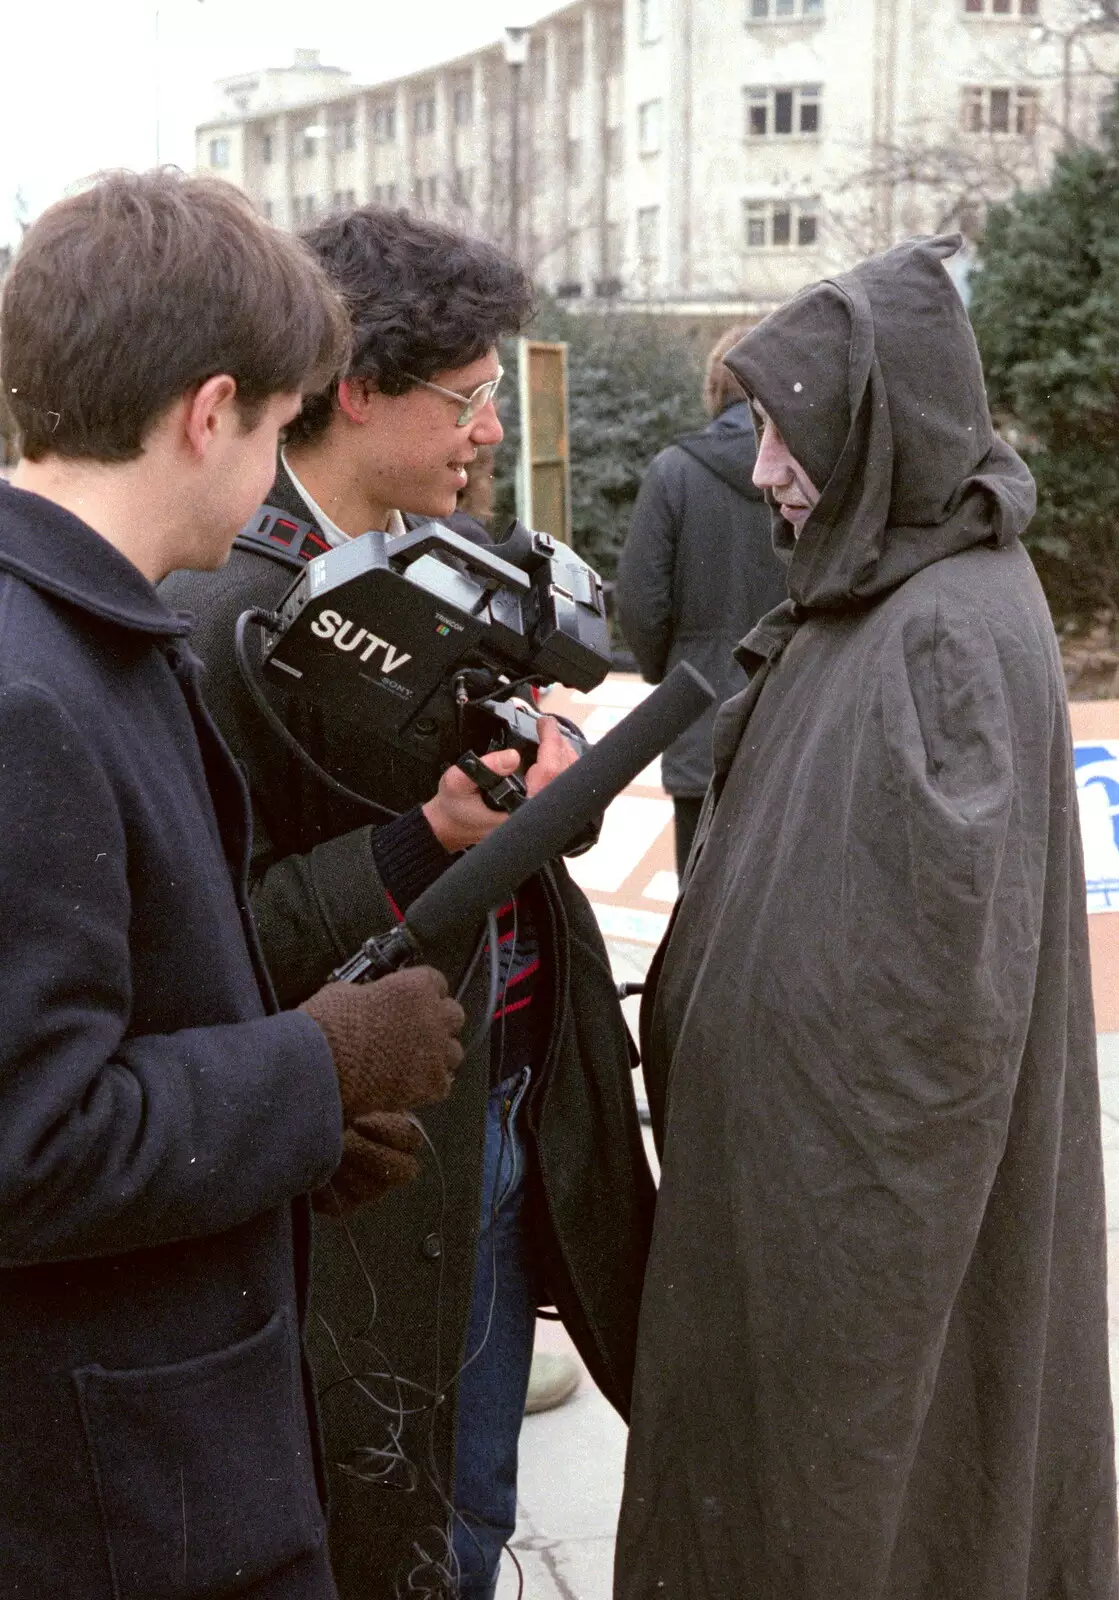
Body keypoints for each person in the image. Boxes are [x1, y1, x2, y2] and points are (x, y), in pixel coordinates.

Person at [614, 235, 1119, 1600]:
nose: (763, 470)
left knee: (864, 1509)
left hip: (859, 1258)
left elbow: (920, 1022)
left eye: (786, 436)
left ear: (875, 429)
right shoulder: (883, 589)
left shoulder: (944, 625)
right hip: (790, 1224)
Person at [161, 206, 655, 1600]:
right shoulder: (227, 618)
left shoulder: (434, 557)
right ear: (359, 387)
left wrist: (538, 786)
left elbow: (488, 811)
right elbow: (204, 952)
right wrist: (417, 840)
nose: (490, 429)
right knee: (394, 1526)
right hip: (363, 1168)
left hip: (497, 1106)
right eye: (469, 396)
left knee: (471, 1504)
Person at [0, 171, 467, 1599]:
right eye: (272, 429)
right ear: (210, 413)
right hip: (116, 1505)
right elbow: (30, 1144)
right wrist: (312, 1072)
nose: (271, 471)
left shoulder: (86, 637)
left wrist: (292, 1143)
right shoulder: (31, 687)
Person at [616, 325, 786, 873]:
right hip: (794, 712)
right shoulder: (814, 472)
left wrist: (671, 677)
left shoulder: (674, 471)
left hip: (700, 711)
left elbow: (642, 603)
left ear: (714, 390)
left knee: (698, 898)